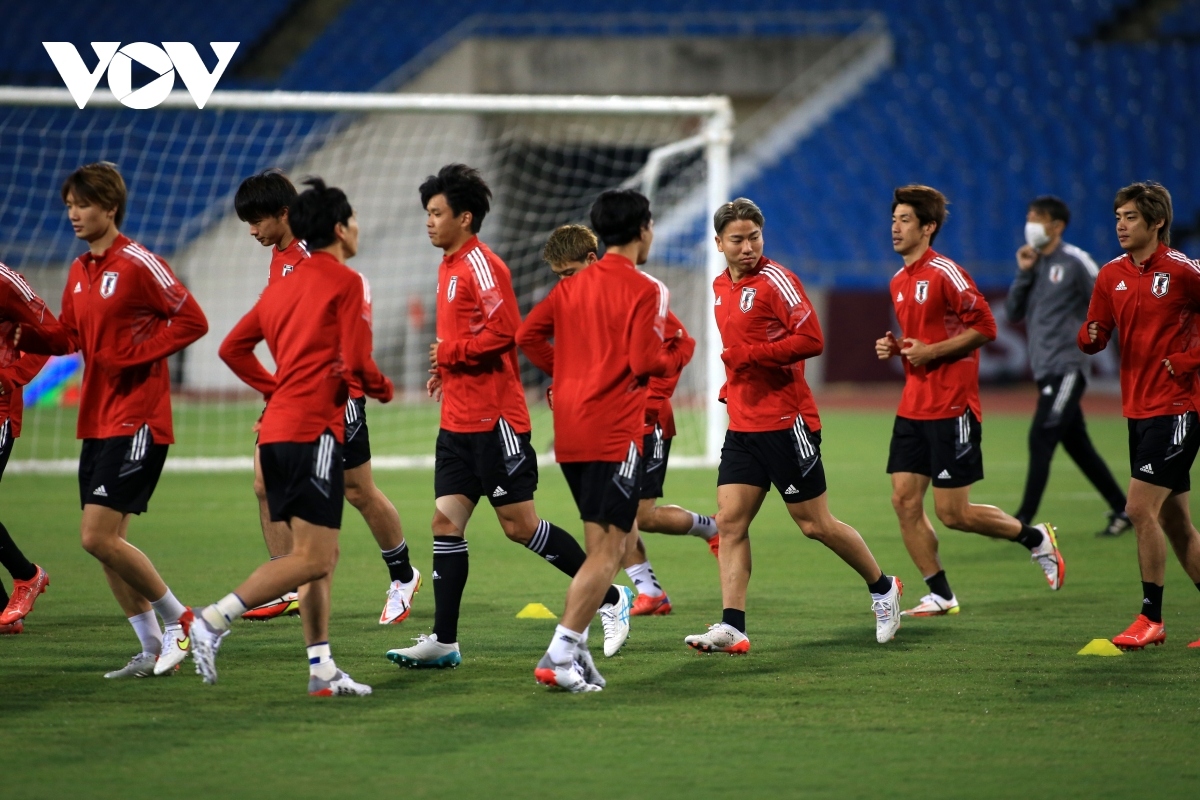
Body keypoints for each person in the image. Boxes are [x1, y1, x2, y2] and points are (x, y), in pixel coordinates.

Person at [386, 165, 623, 671]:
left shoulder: (483, 265)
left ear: (464, 217)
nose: (428, 222)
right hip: (457, 421)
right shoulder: (448, 265)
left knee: (519, 527)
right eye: (426, 213)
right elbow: (468, 341)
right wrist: (447, 372)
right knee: (444, 523)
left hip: (495, 421)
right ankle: (444, 641)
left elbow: (506, 331)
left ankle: (609, 598)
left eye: (436, 213)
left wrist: (451, 354)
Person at [190, 177, 393, 696]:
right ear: (342, 228)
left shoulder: (280, 285)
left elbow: (232, 349)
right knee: (313, 558)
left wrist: (275, 386)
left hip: (276, 429)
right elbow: (361, 362)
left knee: (318, 557)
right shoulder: (348, 282)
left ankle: (321, 669)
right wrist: (381, 388)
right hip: (312, 431)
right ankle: (212, 619)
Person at [682, 198, 902, 654]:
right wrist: (734, 384)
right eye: (738, 240)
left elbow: (811, 340)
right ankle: (732, 626)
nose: (748, 247)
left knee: (814, 524)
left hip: (787, 422)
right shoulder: (720, 286)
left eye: (755, 237)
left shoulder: (776, 280)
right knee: (730, 524)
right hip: (743, 423)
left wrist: (751, 359)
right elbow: (741, 352)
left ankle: (883, 588)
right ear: (719, 242)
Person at [518, 189, 694, 692]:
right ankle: (559, 653)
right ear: (644, 230)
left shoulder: (570, 287)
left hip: (569, 432)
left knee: (601, 546)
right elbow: (645, 362)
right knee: (611, 550)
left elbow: (528, 337)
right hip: (613, 430)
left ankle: (581, 661)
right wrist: (680, 356)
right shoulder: (646, 288)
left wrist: (569, 374)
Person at [232, 169, 418, 624]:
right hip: (296, 394)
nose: (253, 231)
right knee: (263, 484)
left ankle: (402, 574)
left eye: (258, 221)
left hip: (335, 394)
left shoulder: (310, 256)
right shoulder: (280, 255)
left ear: (285, 214)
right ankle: (287, 582)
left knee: (358, 490)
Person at [875, 185, 1064, 617]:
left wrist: (932, 352)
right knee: (904, 502)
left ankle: (1035, 539)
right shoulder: (899, 280)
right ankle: (940, 593)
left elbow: (987, 327)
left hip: (951, 405)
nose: (896, 228)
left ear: (928, 228)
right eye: (893, 220)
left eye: (905, 220)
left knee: (953, 513)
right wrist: (898, 347)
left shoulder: (946, 273)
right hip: (912, 406)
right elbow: (923, 340)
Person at [58, 162, 209, 677]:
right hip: (96, 420)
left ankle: (183, 621)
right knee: (108, 547)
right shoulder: (79, 272)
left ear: (110, 207)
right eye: (70, 206)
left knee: (96, 537)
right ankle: (149, 648)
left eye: (83, 205)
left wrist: (140, 353)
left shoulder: (141, 262)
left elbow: (193, 319)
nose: (74, 214)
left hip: (138, 420)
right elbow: (65, 337)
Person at [542, 223, 718, 617]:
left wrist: (649, 403)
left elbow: (676, 342)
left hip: (646, 419)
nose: (564, 284)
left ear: (591, 260)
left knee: (635, 516)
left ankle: (711, 528)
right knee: (617, 518)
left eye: (568, 274)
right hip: (608, 422)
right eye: (559, 278)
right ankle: (649, 592)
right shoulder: (578, 300)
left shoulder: (634, 291)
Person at [1077, 181, 1200, 650]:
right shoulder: (1110, 275)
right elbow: (1096, 332)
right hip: (1138, 408)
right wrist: (1088, 337)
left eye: (1130, 217)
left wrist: (1188, 361)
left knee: (1137, 509)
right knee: (1175, 523)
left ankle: (1151, 618)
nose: (1121, 226)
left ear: (1157, 222)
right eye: (1117, 218)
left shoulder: (1185, 272)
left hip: (1178, 407)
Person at [1006, 196, 1128, 537]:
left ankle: (1021, 522)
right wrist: (1024, 272)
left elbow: (1108, 297)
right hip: (1045, 368)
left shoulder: (1075, 261)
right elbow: (1014, 311)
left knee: (1041, 435)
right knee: (1078, 446)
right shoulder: (1035, 262)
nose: (1030, 224)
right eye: (1029, 217)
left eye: (1037, 218)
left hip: (1068, 367)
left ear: (1057, 225)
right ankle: (1122, 508)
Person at [0, 264, 74, 634]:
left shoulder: (5, 281)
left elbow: (55, 337)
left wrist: (10, 378)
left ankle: (27, 576)